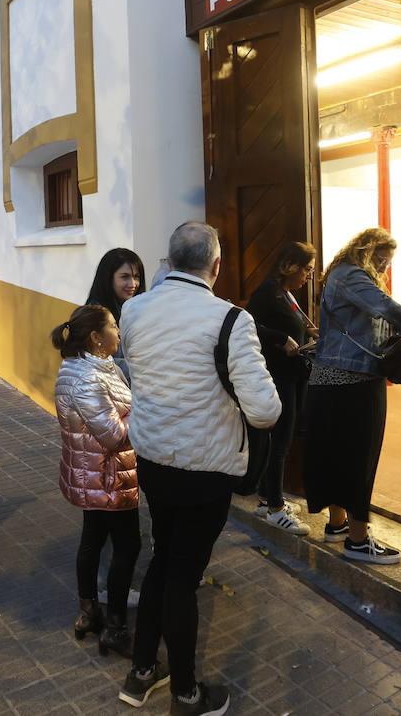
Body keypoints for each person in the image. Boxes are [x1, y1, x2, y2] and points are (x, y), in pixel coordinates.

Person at [117, 221, 281, 715]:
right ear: (216, 266)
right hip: (205, 470)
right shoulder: (232, 320)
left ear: (166, 262)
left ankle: (142, 672)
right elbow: (265, 411)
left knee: (164, 558)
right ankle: (187, 693)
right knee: (182, 576)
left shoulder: (132, 308)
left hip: (152, 460)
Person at [301, 228, 401, 566]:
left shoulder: (340, 276)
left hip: (332, 380)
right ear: (368, 251)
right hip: (355, 381)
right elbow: (381, 305)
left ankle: (338, 525)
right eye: (384, 259)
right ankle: (357, 541)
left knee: (338, 457)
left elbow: (368, 322)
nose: (386, 266)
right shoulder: (352, 275)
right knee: (360, 460)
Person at [51, 304, 139, 659]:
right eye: (114, 327)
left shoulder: (91, 366)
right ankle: (116, 627)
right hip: (107, 477)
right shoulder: (88, 377)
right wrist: (144, 415)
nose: (119, 332)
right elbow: (115, 437)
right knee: (128, 546)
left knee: (93, 538)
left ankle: (89, 614)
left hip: (96, 474)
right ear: (96, 337)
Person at [246, 241, 319, 536]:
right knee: (280, 441)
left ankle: (267, 498)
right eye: (307, 269)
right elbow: (246, 324)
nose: (309, 276)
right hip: (277, 376)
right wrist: (279, 338)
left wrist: (307, 332)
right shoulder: (267, 290)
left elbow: (291, 324)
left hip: (291, 374)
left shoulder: (287, 293)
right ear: (291, 266)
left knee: (284, 439)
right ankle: (275, 508)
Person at [85, 248, 146, 381]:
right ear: (108, 278)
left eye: (136, 277)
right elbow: (100, 363)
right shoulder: (97, 315)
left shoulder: (131, 308)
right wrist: (146, 368)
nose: (133, 284)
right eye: (125, 277)